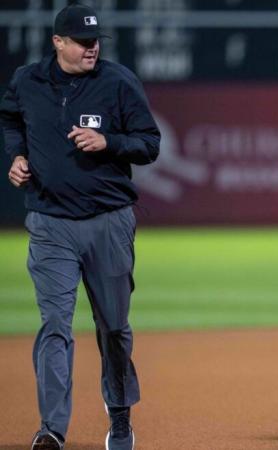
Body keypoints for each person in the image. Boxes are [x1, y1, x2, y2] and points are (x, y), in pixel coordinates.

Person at [0, 4, 160, 449]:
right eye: (83, 42)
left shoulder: (118, 81)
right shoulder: (27, 82)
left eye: (95, 42)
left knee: (113, 326)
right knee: (54, 325)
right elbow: (10, 118)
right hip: (51, 224)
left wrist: (110, 142)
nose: (92, 48)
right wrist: (16, 156)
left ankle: (121, 412)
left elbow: (150, 144)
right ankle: (51, 429)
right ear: (58, 42)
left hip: (108, 222)